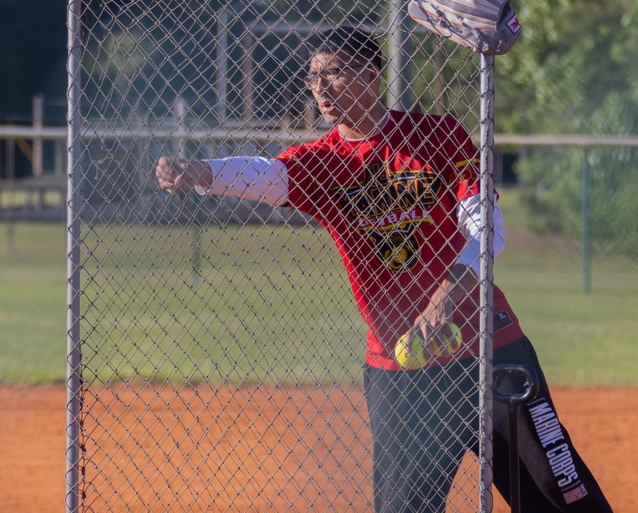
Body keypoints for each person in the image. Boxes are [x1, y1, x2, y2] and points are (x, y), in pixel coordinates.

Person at [155, 27, 612, 513]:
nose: (319, 87)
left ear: (372, 76)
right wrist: (203, 173)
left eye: (334, 72)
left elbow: (487, 229)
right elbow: (267, 174)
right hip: (402, 366)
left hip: (488, 348)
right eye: (312, 76)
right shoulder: (322, 162)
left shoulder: (437, 135)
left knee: (562, 498)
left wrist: (446, 296)